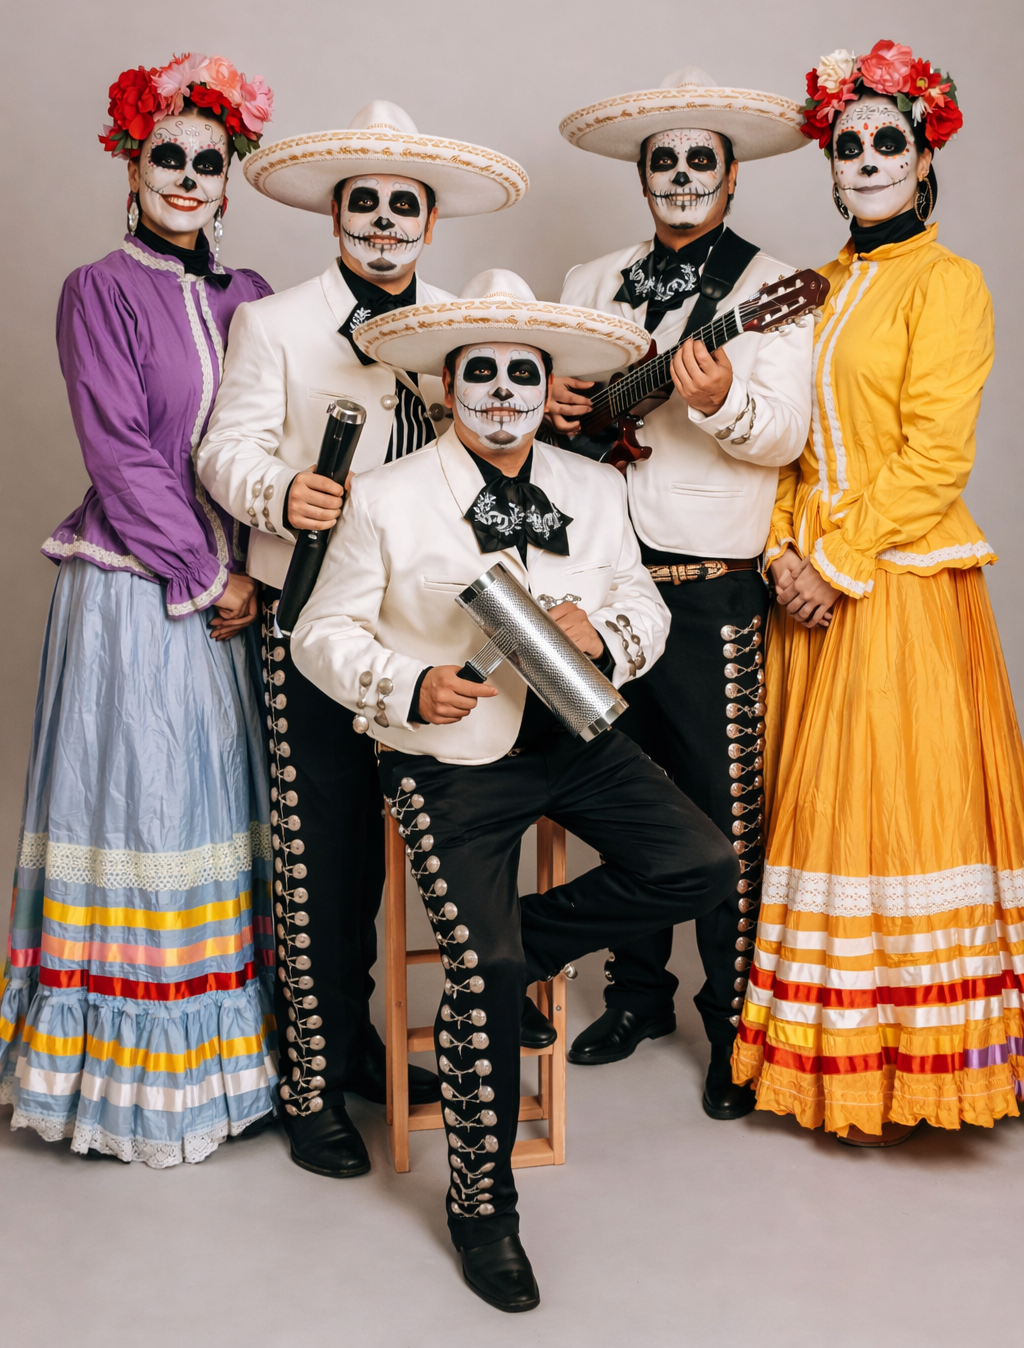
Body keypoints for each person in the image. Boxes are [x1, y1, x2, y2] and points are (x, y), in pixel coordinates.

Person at [289, 270, 739, 1310]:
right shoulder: (389, 496)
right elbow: (319, 632)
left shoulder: (595, 488)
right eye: (481, 373)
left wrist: (606, 635)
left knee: (702, 863)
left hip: (577, 738)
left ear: (546, 389)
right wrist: (408, 684)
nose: (502, 391)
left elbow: (641, 603)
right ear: (448, 388)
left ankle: (517, 946)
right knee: (482, 971)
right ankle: (483, 1209)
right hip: (449, 757)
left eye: (522, 375)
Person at [197, 103, 530, 1179]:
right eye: (366, 204)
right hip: (308, 622)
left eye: (404, 206)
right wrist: (277, 491)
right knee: (320, 863)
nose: (385, 221)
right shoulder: (276, 324)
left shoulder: (459, 328)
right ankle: (313, 1085)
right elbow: (225, 449)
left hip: (422, 637)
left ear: (430, 222)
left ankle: (361, 1048)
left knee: (406, 861)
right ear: (336, 216)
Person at [732, 40, 1024, 1145]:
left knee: (895, 812)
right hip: (808, 588)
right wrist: (780, 554)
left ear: (923, 157)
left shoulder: (948, 284)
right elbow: (788, 446)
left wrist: (836, 563)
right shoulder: (815, 286)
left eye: (885, 141)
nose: (864, 158)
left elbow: (934, 456)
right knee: (822, 818)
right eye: (846, 143)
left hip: (895, 587)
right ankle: (832, 1057)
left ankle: (925, 1066)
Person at [0, 53, 277, 1165]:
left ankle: (232, 1071)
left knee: (214, 811)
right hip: (137, 590)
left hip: (234, 590)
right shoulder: (98, 290)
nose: (188, 179)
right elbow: (120, 454)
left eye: (208, 163)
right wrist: (208, 577)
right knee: (148, 810)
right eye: (168, 156)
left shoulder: (251, 297)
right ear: (131, 167)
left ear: (228, 181)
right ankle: (131, 1091)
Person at [549, 67, 813, 1117]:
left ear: (732, 177)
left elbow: (785, 436)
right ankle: (637, 997)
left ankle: (732, 1026)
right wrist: (556, 400)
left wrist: (723, 399)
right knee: (626, 800)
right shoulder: (588, 279)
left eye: (702, 161)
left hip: (709, 592)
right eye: (664, 161)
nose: (682, 175)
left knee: (721, 814)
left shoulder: (775, 287)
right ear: (642, 176)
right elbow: (551, 421)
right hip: (604, 590)